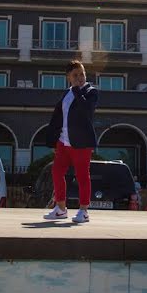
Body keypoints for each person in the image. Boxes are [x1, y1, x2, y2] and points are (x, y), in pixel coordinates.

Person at [43, 60, 99, 223]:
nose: (80, 77)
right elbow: (57, 117)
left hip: (82, 143)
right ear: (68, 77)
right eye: (75, 75)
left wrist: (76, 91)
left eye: (82, 74)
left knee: (82, 176)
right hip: (63, 141)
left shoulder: (91, 92)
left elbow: (86, 111)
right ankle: (60, 209)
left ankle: (84, 211)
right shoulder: (66, 94)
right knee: (56, 172)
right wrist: (53, 140)